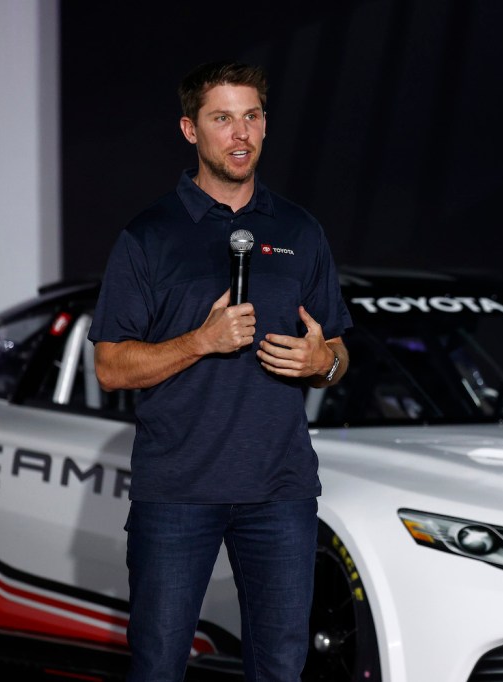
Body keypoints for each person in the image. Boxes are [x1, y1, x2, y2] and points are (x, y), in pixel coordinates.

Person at [89, 60, 351, 682]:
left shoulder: (300, 230)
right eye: (223, 118)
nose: (241, 134)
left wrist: (325, 362)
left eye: (252, 117)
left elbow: (338, 350)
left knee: (283, 668)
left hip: (280, 490)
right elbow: (110, 368)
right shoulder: (148, 236)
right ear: (190, 130)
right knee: (157, 667)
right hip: (179, 490)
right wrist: (199, 342)